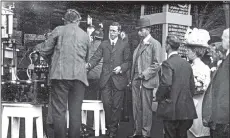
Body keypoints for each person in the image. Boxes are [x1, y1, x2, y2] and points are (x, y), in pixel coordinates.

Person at [34, 9, 90, 138]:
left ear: (65, 20)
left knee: (59, 111)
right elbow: (86, 58)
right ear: (78, 21)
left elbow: (46, 49)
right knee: (76, 113)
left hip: (60, 76)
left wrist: (37, 48)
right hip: (79, 78)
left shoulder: (59, 30)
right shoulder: (85, 35)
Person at [86, 22, 131, 138]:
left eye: (114, 31)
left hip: (119, 79)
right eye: (110, 30)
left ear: (119, 32)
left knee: (116, 105)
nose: (112, 33)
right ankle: (110, 126)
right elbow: (96, 57)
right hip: (105, 79)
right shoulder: (104, 44)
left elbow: (128, 62)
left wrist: (121, 68)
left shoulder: (124, 45)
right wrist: (89, 65)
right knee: (106, 103)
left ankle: (113, 130)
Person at [156, 35, 197, 138]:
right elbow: (192, 87)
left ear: (168, 46)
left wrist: (158, 97)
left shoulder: (167, 63)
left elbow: (166, 84)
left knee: (170, 135)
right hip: (186, 109)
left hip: (171, 109)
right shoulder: (187, 64)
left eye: (165, 44)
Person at [128, 18, 162, 138]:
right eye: (138, 30)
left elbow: (157, 64)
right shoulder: (140, 44)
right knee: (136, 106)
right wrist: (132, 78)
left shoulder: (155, 44)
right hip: (136, 81)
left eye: (141, 30)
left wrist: (144, 74)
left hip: (146, 81)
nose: (139, 33)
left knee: (146, 108)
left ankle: (145, 133)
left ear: (148, 30)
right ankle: (137, 132)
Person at [202, 28, 229, 138]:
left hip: (223, 115)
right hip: (220, 113)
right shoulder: (226, 59)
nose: (221, 41)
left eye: (223, 39)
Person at [185, 38, 211, 137]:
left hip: (199, 102)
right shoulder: (190, 66)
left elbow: (205, 87)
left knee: (197, 129)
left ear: (195, 52)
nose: (186, 52)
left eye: (188, 50)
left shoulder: (204, 68)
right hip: (190, 102)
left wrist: (193, 89)